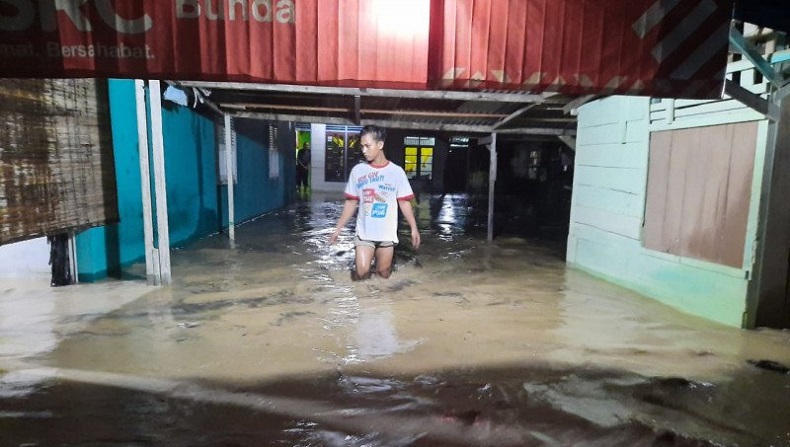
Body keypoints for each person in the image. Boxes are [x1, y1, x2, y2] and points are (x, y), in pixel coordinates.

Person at [328, 125, 420, 280]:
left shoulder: (396, 172)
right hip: (364, 233)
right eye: (362, 146)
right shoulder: (358, 171)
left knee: (383, 275)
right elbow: (351, 202)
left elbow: (404, 202)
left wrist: (414, 228)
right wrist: (338, 230)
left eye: (367, 146)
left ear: (380, 145)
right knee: (362, 273)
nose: (364, 150)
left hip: (387, 234)